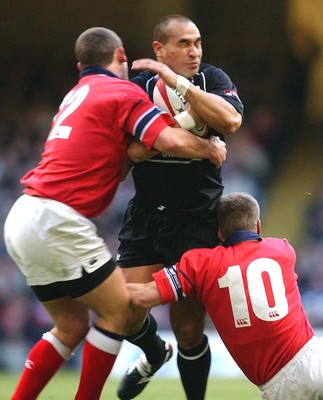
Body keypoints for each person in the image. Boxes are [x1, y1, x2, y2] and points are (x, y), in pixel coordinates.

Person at [3, 26, 227, 400]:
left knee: (71, 327)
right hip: (58, 218)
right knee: (122, 310)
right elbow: (167, 140)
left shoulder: (75, 94)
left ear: (81, 66)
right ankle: (145, 359)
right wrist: (209, 149)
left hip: (22, 216)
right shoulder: (122, 91)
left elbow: (135, 151)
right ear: (122, 56)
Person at [116, 14, 244, 400]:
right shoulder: (138, 86)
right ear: (160, 49)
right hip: (146, 212)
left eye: (198, 42)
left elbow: (231, 120)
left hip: (196, 217)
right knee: (122, 312)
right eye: (184, 44)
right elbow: (133, 151)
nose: (195, 51)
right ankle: (154, 352)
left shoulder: (212, 79)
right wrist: (189, 132)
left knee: (188, 327)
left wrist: (179, 87)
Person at [127, 192, 322, 400]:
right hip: (315, 357)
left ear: (220, 234)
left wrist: (100, 287)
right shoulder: (282, 249)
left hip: (282, 386)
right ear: (258, 226)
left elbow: (142, 296)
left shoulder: (200, 265)